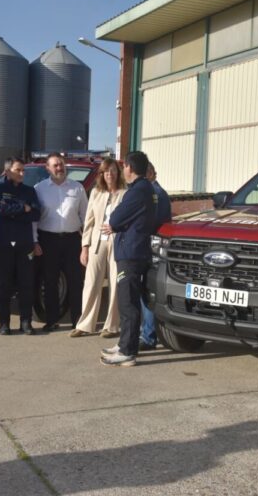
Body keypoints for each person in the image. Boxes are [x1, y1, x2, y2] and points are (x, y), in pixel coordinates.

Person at [100, 151, 156, 367]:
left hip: (131, 254)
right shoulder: (145, 189)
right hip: (135, 251)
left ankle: (127, 351)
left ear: (130, 169)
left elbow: (116, 217)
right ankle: (126, 343)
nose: (123, 170)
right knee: (130, 301)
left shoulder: (137, 191)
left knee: (128, 302)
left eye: (124, 166)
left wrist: (115, 224)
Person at [70, 158, 127, 339]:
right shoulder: (95, 192)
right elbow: (89, 221)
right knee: (91, 283)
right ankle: (85, 324)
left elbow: (129, 219)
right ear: (101, 174)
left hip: (117, 241)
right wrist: (84, 246)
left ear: (118, 172)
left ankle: (111, 326)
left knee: (115, 284)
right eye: (105, 171)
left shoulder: (125, 193)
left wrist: (117, 228)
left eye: (112, 170)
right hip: (97, 243)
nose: (109, 174)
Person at [34, 153, 88, 331]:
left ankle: (78, 321)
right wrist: (35, 241)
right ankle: (52, 320)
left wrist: (85, 244)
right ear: (48, 168)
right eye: (55, 165)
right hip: (48, 240)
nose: (59, 168)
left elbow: (87, 218)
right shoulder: (39, 189)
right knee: (50, 282)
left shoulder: (77, 188)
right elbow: (34, 219)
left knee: (76, 282)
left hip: (73, 240)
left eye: (61, 164)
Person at [0, 157, 41, 335]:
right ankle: (4, 323)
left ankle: (26, 322)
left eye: (23, 170)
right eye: (18, 170)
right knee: (5, 285)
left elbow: (35, 214)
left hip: (24, 243)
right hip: (4, 243)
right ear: (8, 170)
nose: (22, 173)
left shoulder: (29, 190)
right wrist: (22, 208)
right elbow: (0, 211)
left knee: (26, 284)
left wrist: (14, 210)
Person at [139, 162, 172, 350]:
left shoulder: (155, 195)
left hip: (151, 249)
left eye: (145, 173)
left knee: (147, 294)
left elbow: (149, 223)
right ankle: (147, 333)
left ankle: (148, 336)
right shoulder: (154, 192)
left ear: (152, 174)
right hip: (151, 248)